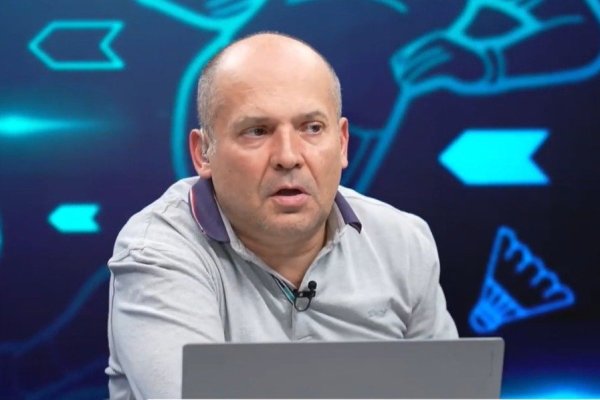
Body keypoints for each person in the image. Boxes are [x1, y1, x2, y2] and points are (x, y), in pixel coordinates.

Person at [106, 32, 458, 399]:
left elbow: (448, 391)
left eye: (312, 128)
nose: (288, 157)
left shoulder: (402, 241)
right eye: (257, 131)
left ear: (341, 143)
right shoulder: (156, 254)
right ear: (203, 152)